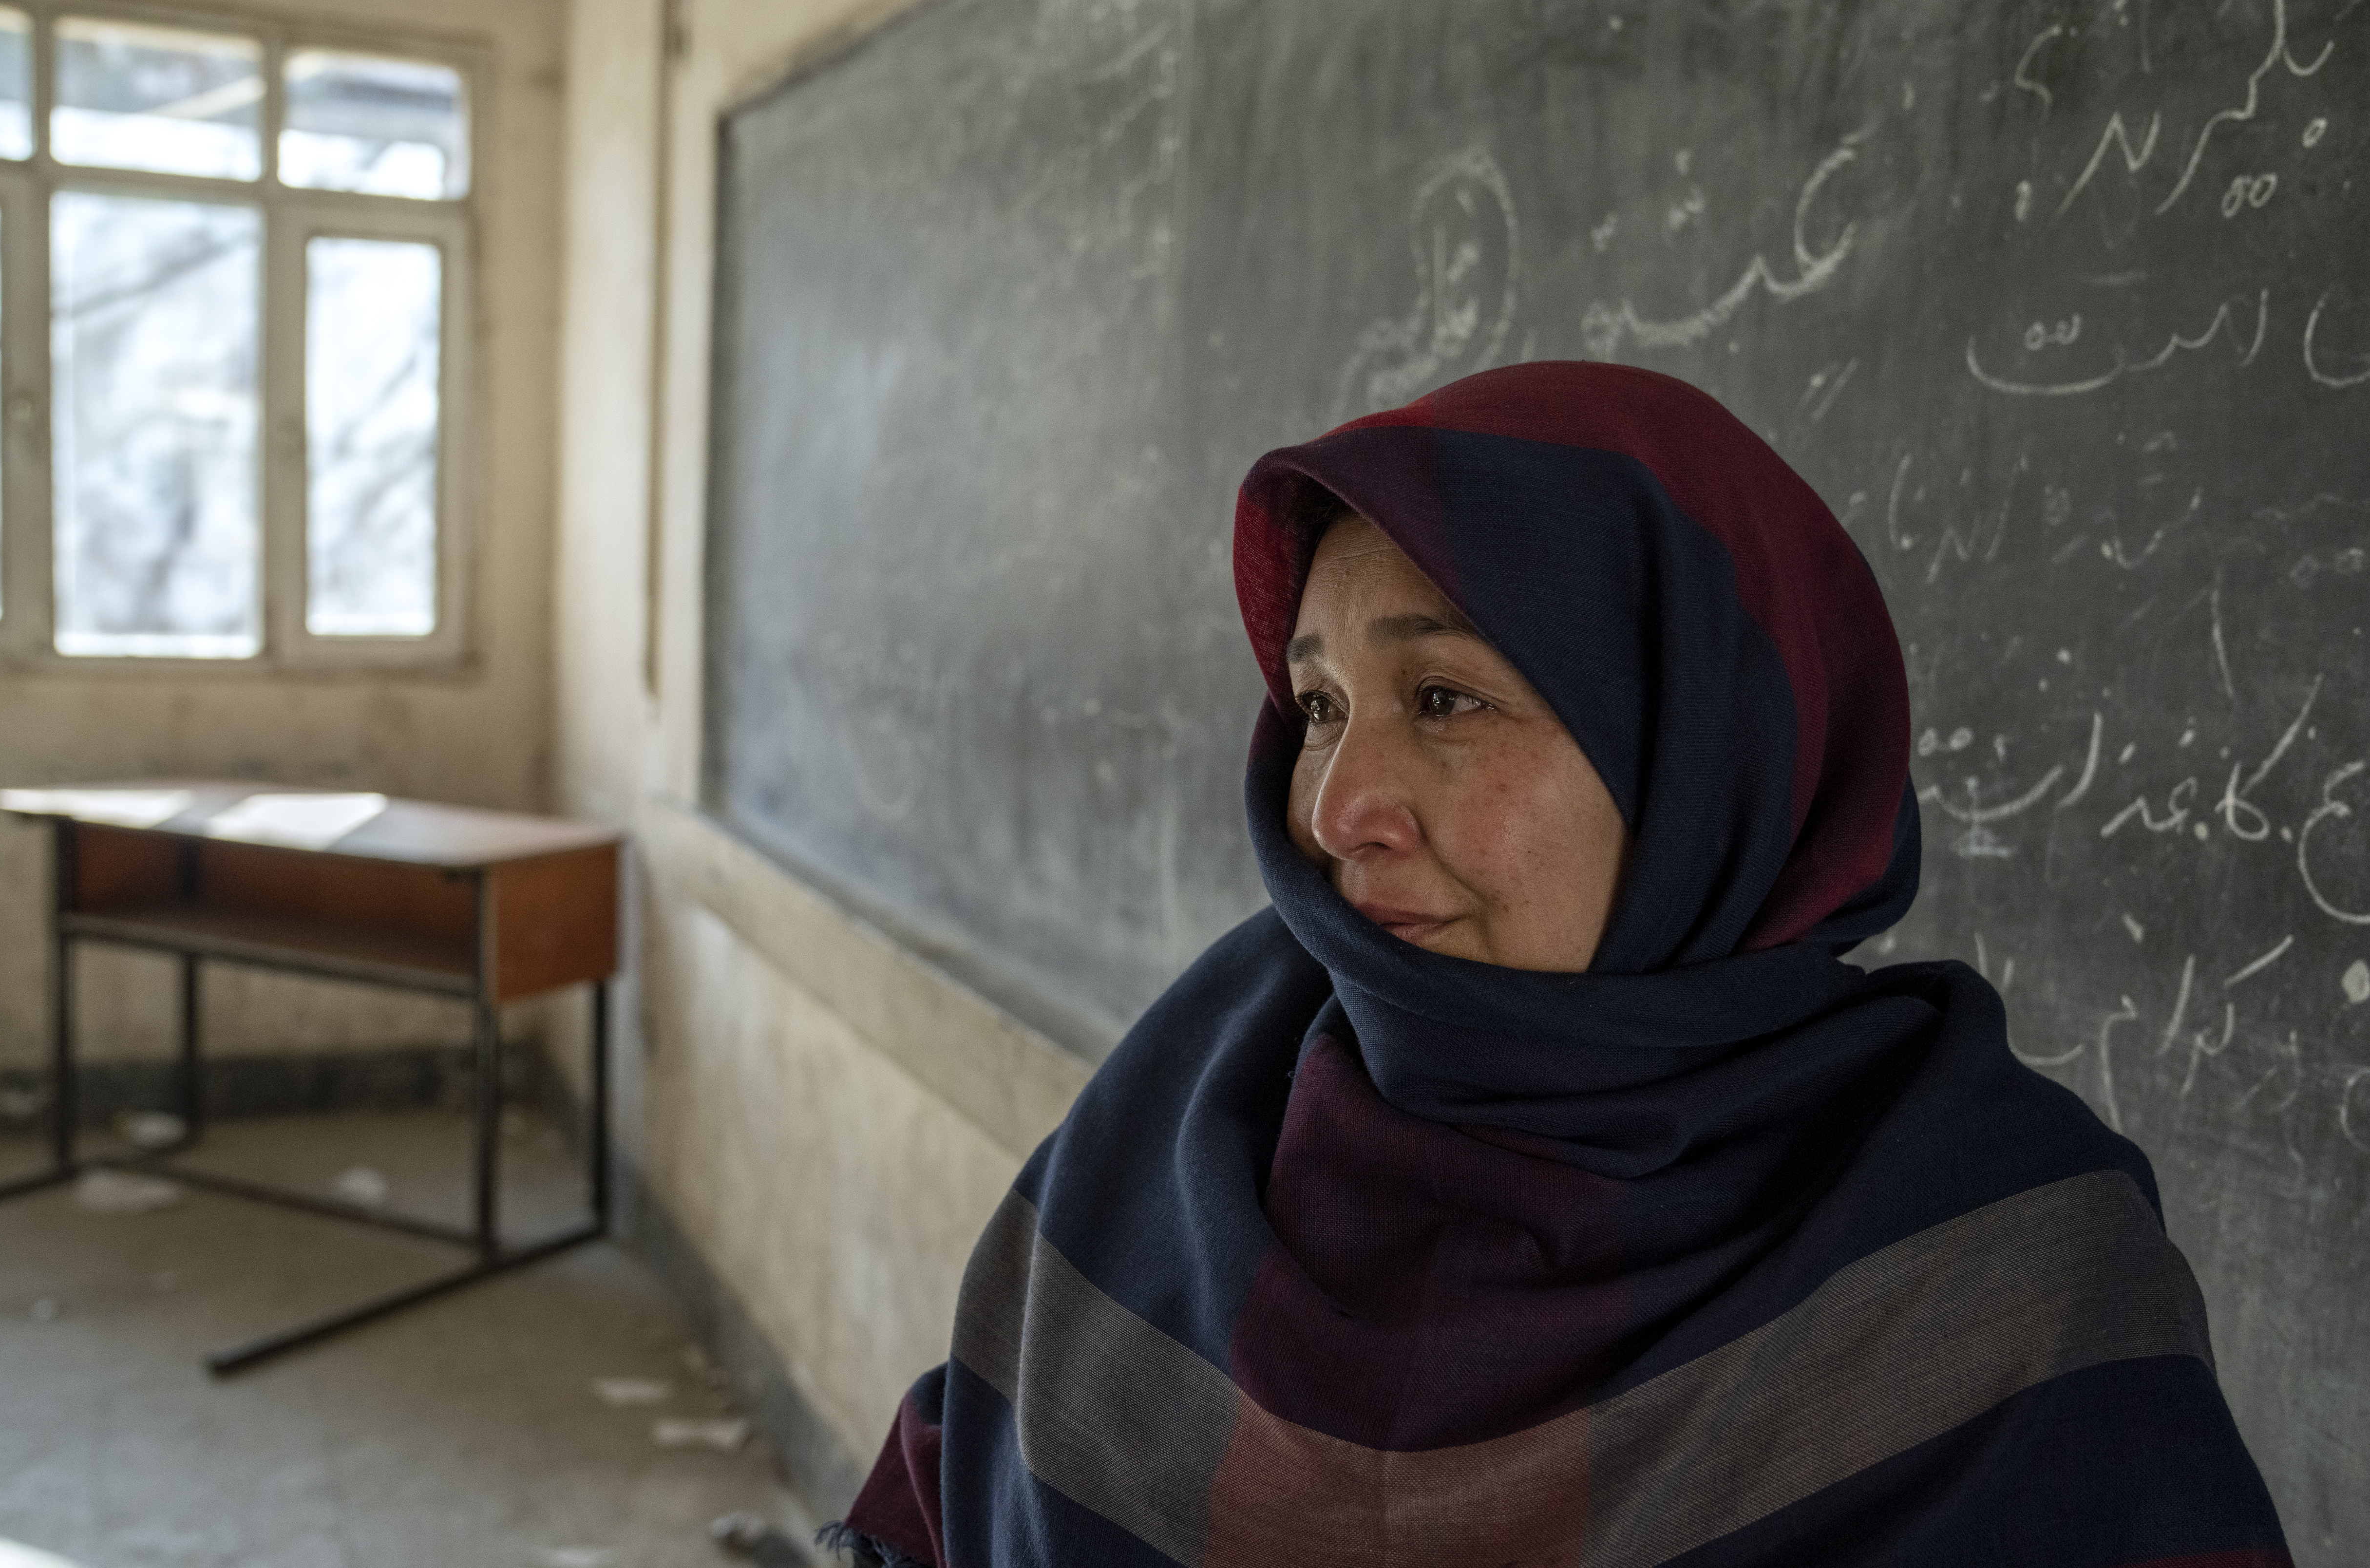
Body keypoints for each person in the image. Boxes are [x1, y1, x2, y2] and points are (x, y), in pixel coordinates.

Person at [821, 361, 2288, 1568]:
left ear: (1703, 755)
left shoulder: (1990, 1274)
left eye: (1447, 697)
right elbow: (959, 1480)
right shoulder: (1214, 1076)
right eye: (1321, 706)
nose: (1337, 811)